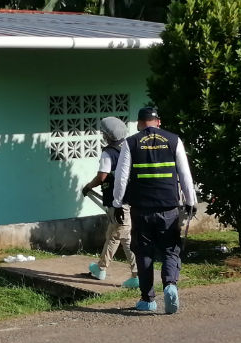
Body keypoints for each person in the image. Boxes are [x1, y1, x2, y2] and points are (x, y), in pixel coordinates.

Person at [112, 107, 197, 313]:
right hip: (168, 207)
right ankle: (170, 284)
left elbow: (121, 176)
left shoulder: (130, 143)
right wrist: (191, 201)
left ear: (140, 123)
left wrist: (117, 203)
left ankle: (148, 299)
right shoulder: (174, 140)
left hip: (141, 209)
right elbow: (185, 174)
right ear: (158, 122)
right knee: (170, 249)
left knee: (143, 253)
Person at [82, 117, 139, 288]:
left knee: (125, 237)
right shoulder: (131, 147)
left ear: (107, 135)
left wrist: (88, 186)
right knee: (113, 234)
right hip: (131, 198)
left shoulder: (109, 152)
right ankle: (101, 268)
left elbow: (102, 176)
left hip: (118, 201)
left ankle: (138, 275)